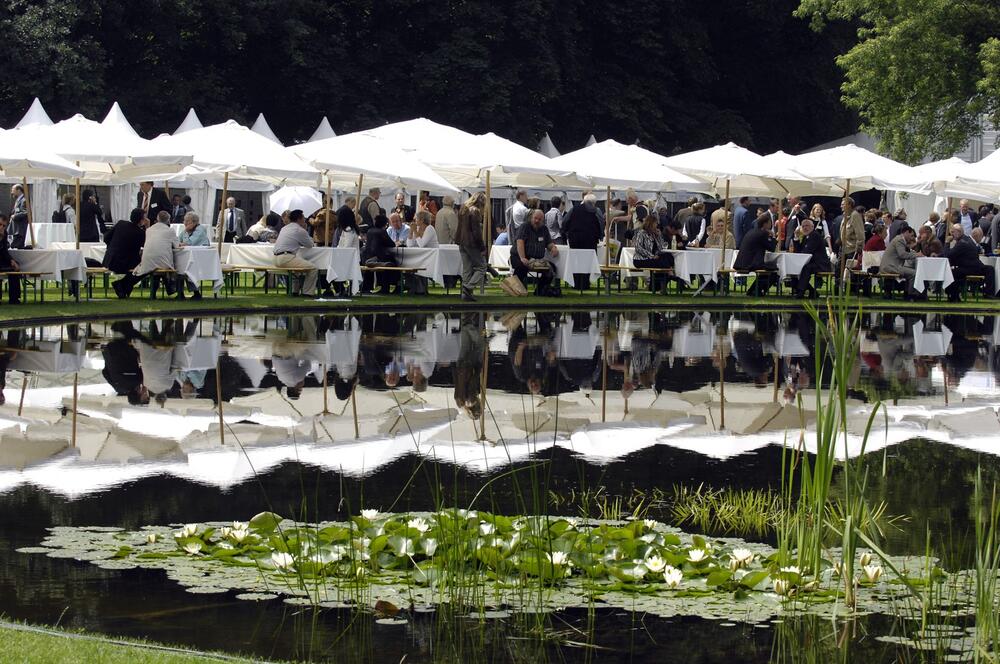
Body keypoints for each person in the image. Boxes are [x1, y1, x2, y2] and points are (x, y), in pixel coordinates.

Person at [112, 210, 178, 299]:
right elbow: (177, 246)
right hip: (160, 261)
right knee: (166, 266)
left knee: (147, 268)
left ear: (157, 219)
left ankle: (122, 286)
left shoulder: (149, 230)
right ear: (168, 220)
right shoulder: (170, 231)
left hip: (146, 259)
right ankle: (170, 288)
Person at [273, 209, 321, 297]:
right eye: (303, 218)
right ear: (299, 219)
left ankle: (294, 291)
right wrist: (305, 230)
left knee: (296, 269)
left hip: (276, 258)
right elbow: (310, 244)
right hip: (285, 258)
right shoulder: (299, 230)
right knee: (313, 268)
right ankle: (307, 293)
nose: (305, 219)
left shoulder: (284, 228)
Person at [456, 193, 494, 302]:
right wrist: (482, 247)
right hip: (471, 243)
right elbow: (476, 232)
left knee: (467, 269)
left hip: (461, 242)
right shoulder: (475, 211)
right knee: (482, 266)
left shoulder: (463, 209)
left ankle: (465, 294)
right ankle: (468, 288)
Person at [510, 209, 559, 296]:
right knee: (522, 266)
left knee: (552, 269)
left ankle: (540, 290)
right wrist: (522, 257)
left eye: (539, 219)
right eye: (535, 218)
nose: (537, 221)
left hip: (536, 259)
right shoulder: (525, 226)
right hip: (518, 256)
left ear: (542, 220)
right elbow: (520, 242)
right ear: (531, 217)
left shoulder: (544, 229)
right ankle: (517, 290)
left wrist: (553, 248)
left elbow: (548, 243)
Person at [561, 192, 603, 289]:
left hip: (575, 240)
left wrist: (565, 233)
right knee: (588, 262)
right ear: (593, 203)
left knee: (575, 261)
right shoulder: (596, 211)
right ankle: (585, 283)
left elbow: (565, 221)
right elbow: (601, 223)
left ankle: (575, 283)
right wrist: (600, 236)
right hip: (590, 241)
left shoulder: (574, 209)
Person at [944, 223, 994, 301]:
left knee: (951, 273)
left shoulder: (962, 243)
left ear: (959, 232)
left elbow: (948, 255)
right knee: (990, 269)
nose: (952, 235)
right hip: (975, 266)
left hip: (969, 268)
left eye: (953, 232)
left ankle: (953, 295)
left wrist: (947, 243)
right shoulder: (966, 240)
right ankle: (989, 293)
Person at [105, 208, 148, 296]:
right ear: (141, 220)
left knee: (140, 266)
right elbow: (147, 246)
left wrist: (113, 248)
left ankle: (124, 288)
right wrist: (147, 227)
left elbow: (106, 238)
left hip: (110, 259)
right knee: (147, 266)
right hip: (124, 262)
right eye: (144, 218)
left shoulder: (120, 223)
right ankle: (122, 285)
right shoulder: (140, 233)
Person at [733, 214, 778, 296]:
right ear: (765, 224)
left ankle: (753, 290)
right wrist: (773, 237)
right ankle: (756, 290)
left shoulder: (751, 231)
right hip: (751, 263)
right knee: (775, 270)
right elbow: (772, 248)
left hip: (741, 262)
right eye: (769, 223)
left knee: (769, 268)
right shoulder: (763, 233)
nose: (770, 225)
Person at [632, 207, 674, 291]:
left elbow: (662, 247)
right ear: (650, 223)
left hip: (653, 258)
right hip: (641, 259)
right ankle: (670, 274)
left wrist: (659, 236)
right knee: (664, 262)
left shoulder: (654, 234)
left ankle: (660, 283)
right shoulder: (641, 233)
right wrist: (651, 256)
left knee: (668, 257)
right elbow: (638, 248)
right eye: (655, 223)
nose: (657, 225)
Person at [793, 218, 833, 298]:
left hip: (821, 264)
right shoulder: (806, 237)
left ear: (812, 226)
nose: (805, 228)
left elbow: (807, 251)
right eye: (803, 226)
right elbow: (799, 251)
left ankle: (801, 292)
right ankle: (812, 292)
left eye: (807, 226)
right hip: (812, 263)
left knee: (806, 268)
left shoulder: (815, 235)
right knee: (795, 269)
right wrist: (796, 237)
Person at [362, 213, 399, 295]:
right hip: (378, 257)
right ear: (385, 224)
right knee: (393, 262)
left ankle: (367, 288)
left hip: (367, 257)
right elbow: (391, 244)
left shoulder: (370, 231)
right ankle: (387, 287)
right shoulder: (382, 232)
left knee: (386, 262)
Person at [405, 210, 438, 295]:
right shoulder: (418, 228)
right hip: (422, 257)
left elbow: (421, 244)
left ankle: (419, 289)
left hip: (431, 258)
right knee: (407, 264)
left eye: (416, 219)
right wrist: (411, 232)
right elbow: (409, 245)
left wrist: (415, 232)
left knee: (412, 264)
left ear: (422, 220)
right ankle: (412, 288)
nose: (414, 220)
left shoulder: (430, 228)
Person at [0, 215, 22, 304]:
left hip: (1, 259)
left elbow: (4, 250)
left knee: (15, 268)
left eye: (4, 226)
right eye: (0, 224)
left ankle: (14, 298)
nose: (1, 227)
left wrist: (11, 260)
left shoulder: (4, 234)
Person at [839, 196, 865, 269]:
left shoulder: (855, 215)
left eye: (843, 204)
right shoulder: (846, 216)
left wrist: (858, 249)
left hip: (852, 250)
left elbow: (860, 235)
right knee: (839, 271)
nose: (841, 206)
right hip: (844, 249)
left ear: (849, 205)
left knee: (850, 273)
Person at [9, 184, 28, 249]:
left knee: (16, 249)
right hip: (15, 230)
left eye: (13, 190)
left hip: (19, 230)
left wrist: (15, 216)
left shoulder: (24, 200)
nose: (12, 192)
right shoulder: (18, 200)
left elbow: (26, 212)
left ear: (18, 190)